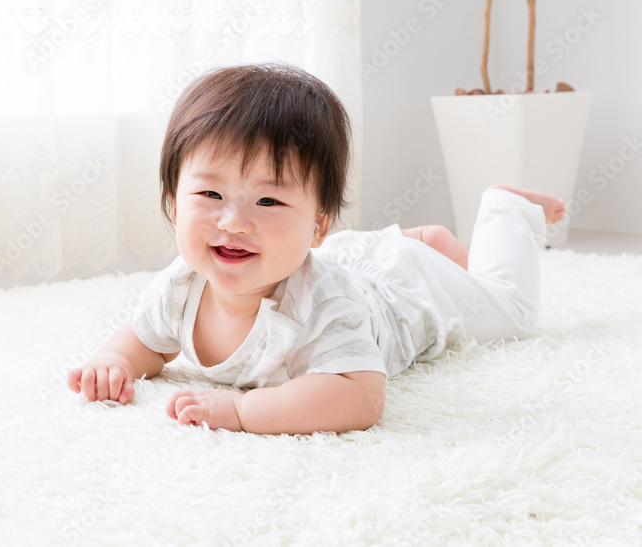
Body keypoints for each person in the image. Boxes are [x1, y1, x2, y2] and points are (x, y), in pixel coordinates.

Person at [66, 63, 565, 435]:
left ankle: (506, 209)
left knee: (512, 314)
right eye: (210, 194)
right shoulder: (182, 283)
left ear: (318, 224)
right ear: (174, 204)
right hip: (352, 256)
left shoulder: (323, 307)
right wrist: (114, 362)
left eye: (268, 199)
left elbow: (360, 396)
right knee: (344, 255)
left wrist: (242, 412)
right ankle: (418, 239)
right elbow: (146, 340)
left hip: (408, 289)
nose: (234, 221)